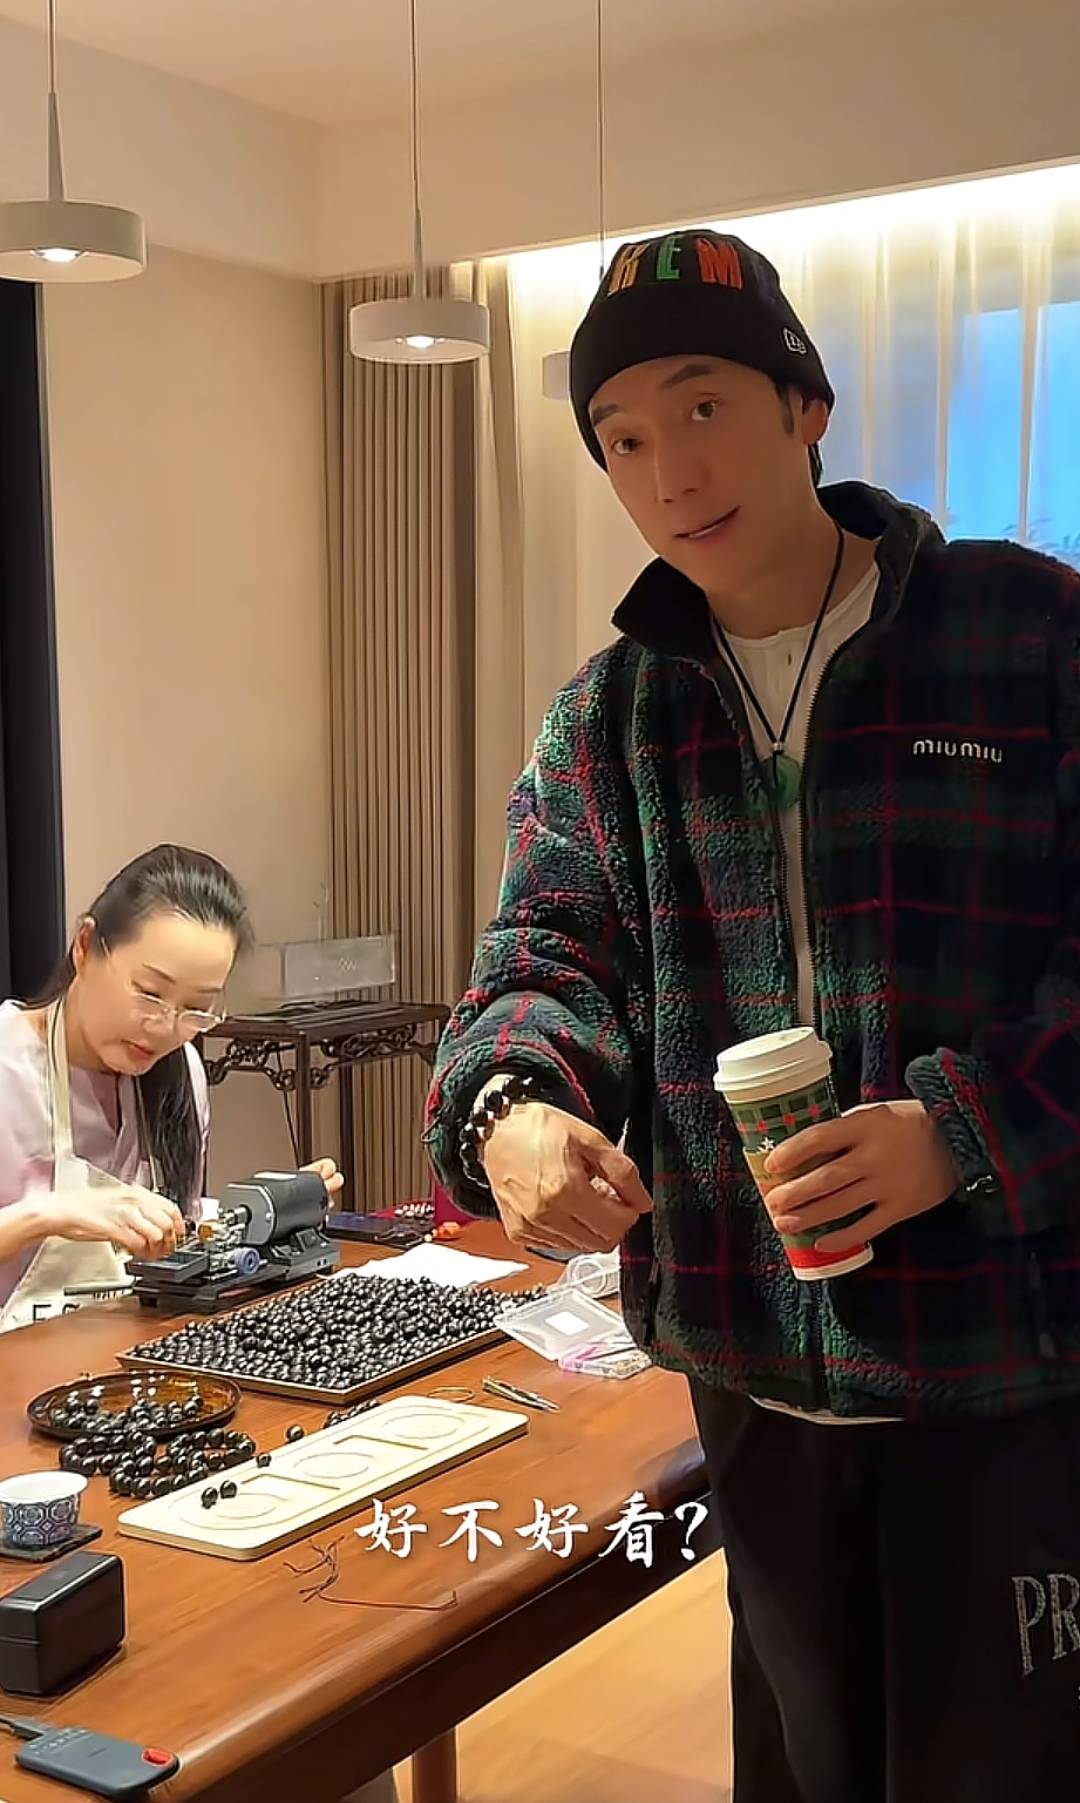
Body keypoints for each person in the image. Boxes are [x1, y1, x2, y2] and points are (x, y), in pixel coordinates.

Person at [424, 230, 1080, 1800]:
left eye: (704, 405)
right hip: (751, 1369)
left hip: (1006, 1360)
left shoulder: (1024, 630)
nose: (671, 471)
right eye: (622, 438)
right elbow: (542, 948)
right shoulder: (614, 711)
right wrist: (515, 1105)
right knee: (797, 1765)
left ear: (807, 406)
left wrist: (961, 1132)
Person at [0, 843, 342, 1328]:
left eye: (196, 1008)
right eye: (149, 993)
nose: (164, 1028)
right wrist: (46, 1215)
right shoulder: (8, 1062)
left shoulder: (180, 1070)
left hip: (126, 1352)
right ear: (85, 947)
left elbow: (183, 1228)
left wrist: (270, 1206)